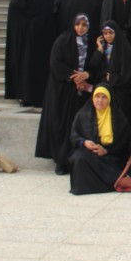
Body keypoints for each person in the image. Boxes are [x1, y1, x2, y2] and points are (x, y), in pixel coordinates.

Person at [36, 14, 95, 175]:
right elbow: (55, 63)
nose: (81, 28)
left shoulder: (92, 43)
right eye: (78, 24)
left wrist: (87, 75)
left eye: (84, 25)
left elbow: (96, 63)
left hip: (83, 92)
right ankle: (61, 161)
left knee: (80, 126)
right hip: (62, 90)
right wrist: (74, 77)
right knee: (62, 125)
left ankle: (78, 161)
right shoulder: (63, 40)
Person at [68, 84, 131, 195]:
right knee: (79, 158)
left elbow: (125, 143)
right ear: (93, 98)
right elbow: (74, 136)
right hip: (89, 153)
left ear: (109, 99)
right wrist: (85, 142)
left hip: (111, 156)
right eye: (97, 97)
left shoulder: (119, 117)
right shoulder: (83, 114)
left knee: (113, 171)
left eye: (104, 97)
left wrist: (106, 150)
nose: (100, 101)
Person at [4, 0, 55, 106]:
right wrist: (24, 24)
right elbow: (14, 12)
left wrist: (33, 24)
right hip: (22, 37)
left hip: (37, 38)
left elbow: (46, 15)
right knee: (23, 66)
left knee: (34, 67)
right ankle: (22, 94)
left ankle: (35, 95)